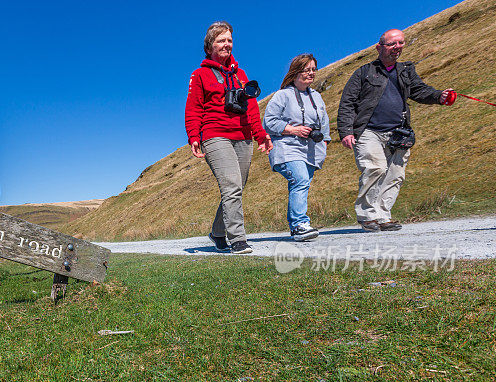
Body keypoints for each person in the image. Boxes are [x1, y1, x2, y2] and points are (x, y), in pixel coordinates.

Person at [338, 29, 452, 232]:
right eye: (392, 44)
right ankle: (367, 215)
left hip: (399, 132)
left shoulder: (406, 70)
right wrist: (346, 131)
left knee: (395, 174)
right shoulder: (364, 72)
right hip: (369, 131)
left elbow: (419, 90)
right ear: (379, 47)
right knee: (375, 168)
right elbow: (348, 102)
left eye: (401, 43)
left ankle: (383, 215)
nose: (397, 47)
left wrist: (438, 96)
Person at [185, 21, 272, 254]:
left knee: (236, 188)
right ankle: (238, 239)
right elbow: (193, 108)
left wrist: (261, 135)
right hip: (215, 136)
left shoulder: (241, 75)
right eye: (221, 40)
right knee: (231, 185)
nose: (227, 44)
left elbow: (252, 109)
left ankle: (217, 232)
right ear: (210, 46)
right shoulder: (200, 75)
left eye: (230, 40)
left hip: (243, 137)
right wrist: (194, 136)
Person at [263, 54, 330, 241]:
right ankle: (300, 224)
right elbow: (268, 122)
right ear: (296, 71)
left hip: (311, 150)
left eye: (313, 69)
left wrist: (324, 141)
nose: (311, 73)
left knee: (303, 184)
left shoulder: (316, 96)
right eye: (306, 69)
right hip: (287, 147)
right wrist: (293, 129)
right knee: (300, 180)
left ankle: (297, 227)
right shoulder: (282, 95)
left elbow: (324, 123)